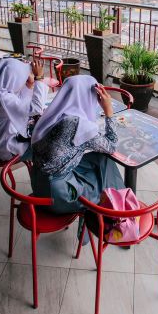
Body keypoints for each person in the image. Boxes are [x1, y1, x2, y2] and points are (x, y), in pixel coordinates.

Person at [30, 75, 124, 215]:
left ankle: (121, 204)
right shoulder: (79, 125)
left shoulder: (51, 115)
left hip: (38, 184)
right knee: (106, 173)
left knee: (101, 159)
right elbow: (111, 146)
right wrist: (108, 112)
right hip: (59, 197)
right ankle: (121, 210)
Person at [0, 58, 48, 162]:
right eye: (21, 78)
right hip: (10, 148)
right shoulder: (1, 99)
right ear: (12, 79)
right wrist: (39, 78)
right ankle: (42, 174)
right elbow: (36, 109)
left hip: (1, 142)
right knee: (52, 146)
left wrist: (29, 85)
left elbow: (19, 104)